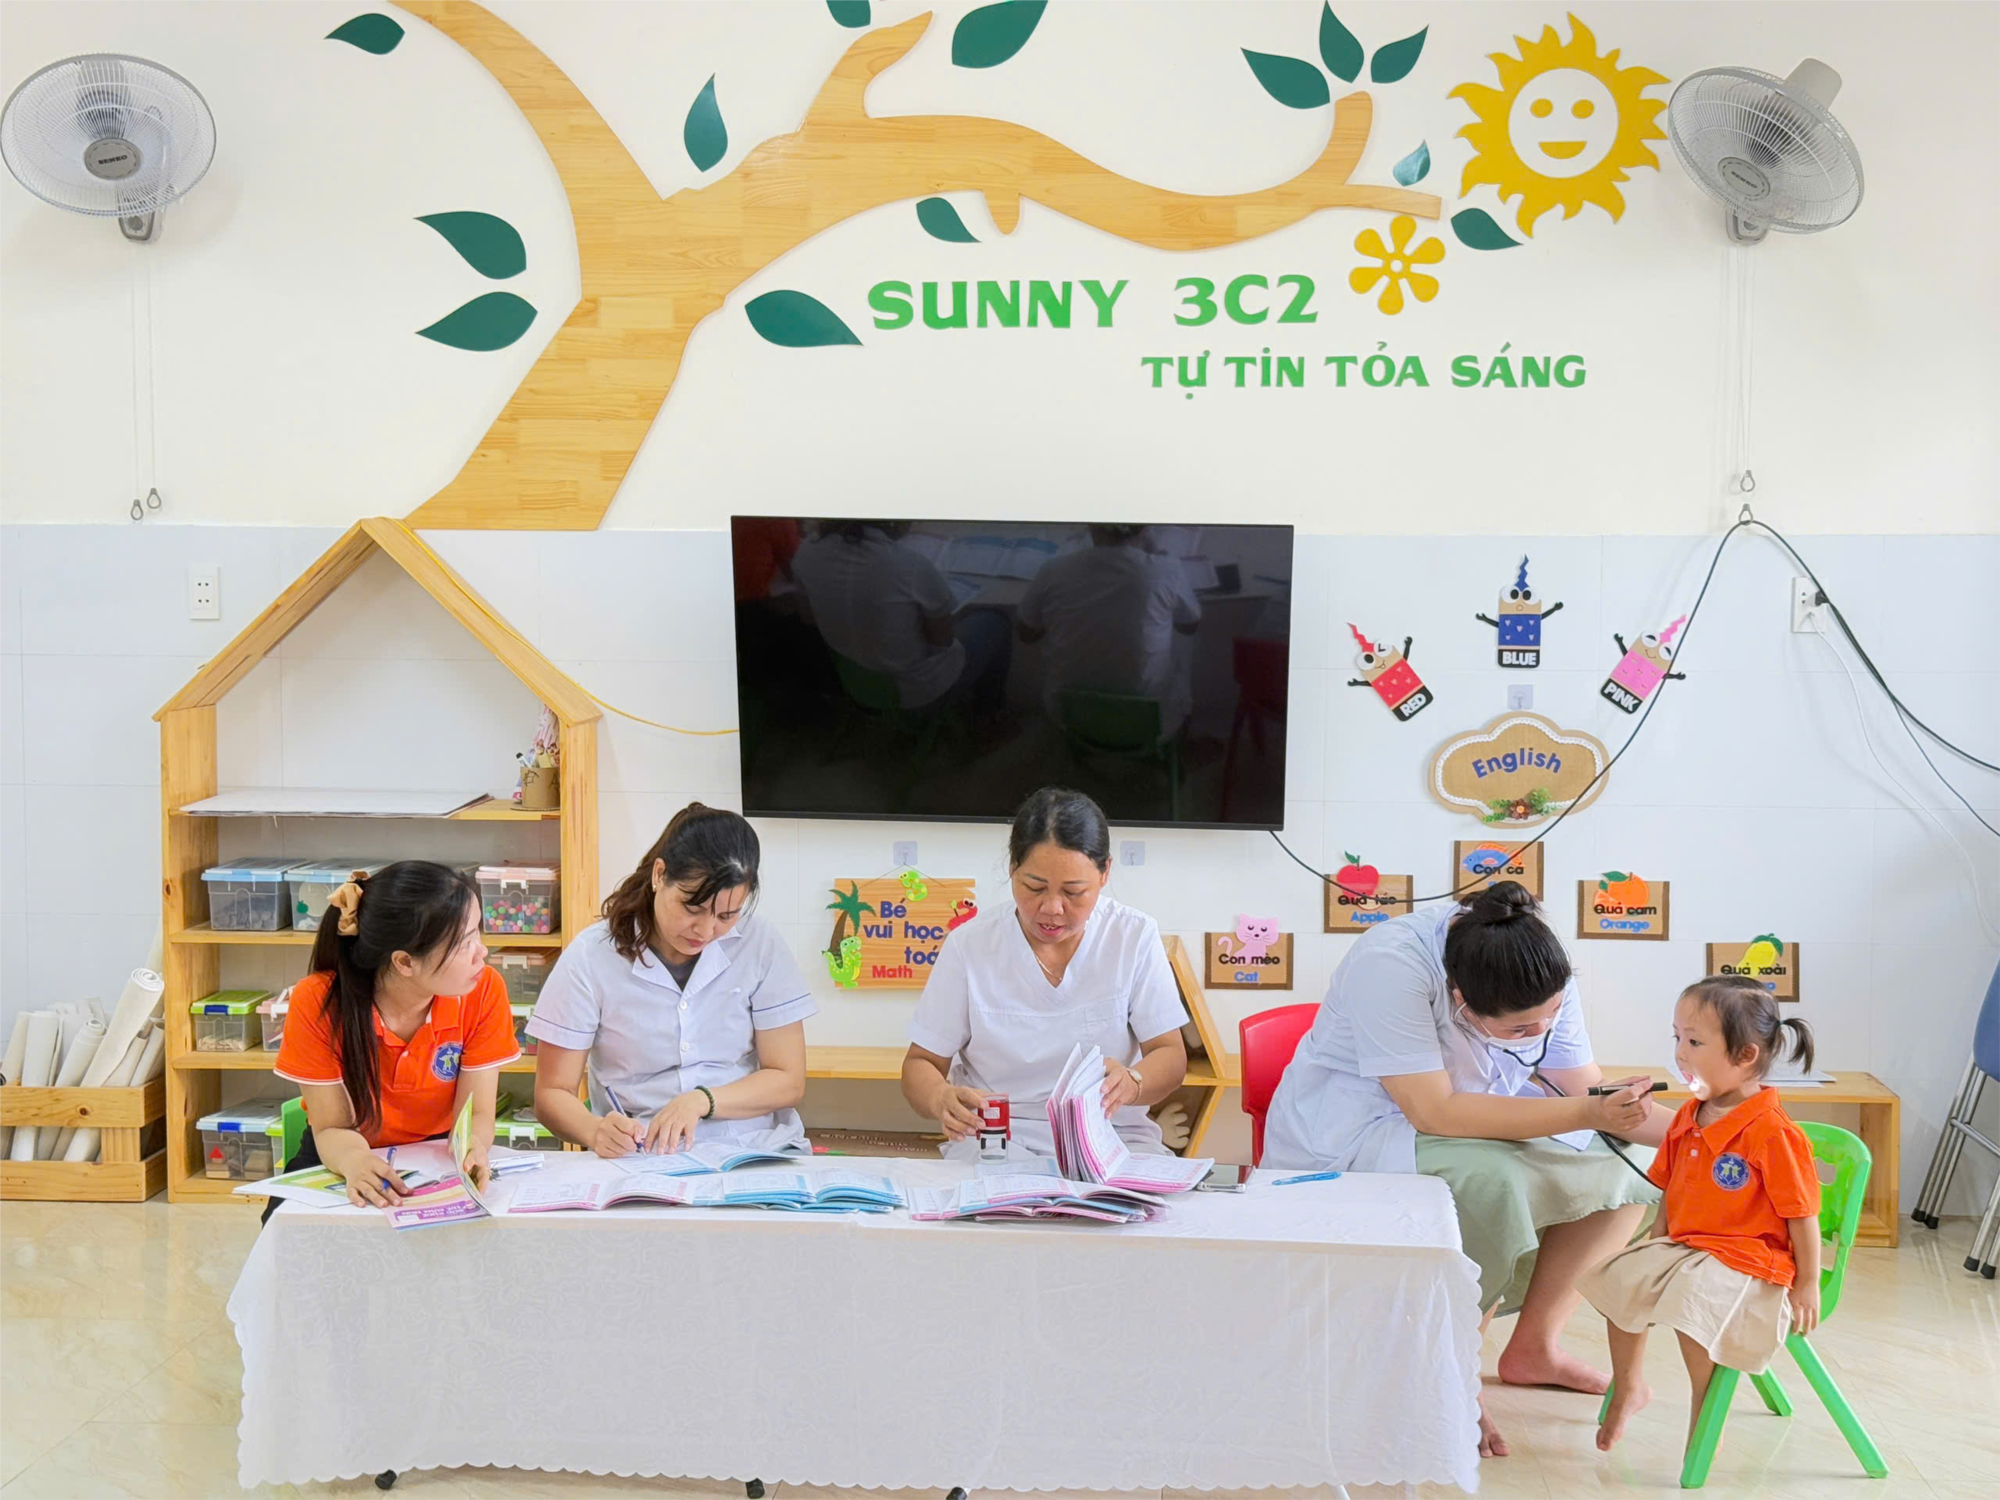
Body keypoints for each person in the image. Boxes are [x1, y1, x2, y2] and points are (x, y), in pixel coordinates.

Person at [1262, 881, 1665, 1458]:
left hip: (1467, 1114)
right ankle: (1449, 1370)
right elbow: (1434, 1111)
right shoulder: (1391, 963)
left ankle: (1535, 1347)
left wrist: (1720, 1137)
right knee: (1489, 1182)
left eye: (1550, 1018)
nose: (1540, 1034)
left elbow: (1584, 1087)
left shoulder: (1535, 966)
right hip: (1357, 1131)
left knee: (1639, 1164)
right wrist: (1585, 1112)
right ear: (1460, 1002)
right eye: (1520, 1030)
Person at [1585, 977, 1822, 1452]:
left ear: (1745, 1055)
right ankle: (1628, 1386)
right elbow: (1671, 1189)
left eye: (1694, 1042)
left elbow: (1802, 1214)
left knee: (1692, 1306)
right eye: (1677, 1037)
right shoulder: (1689, 1117)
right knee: (1620, 1278)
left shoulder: (1773, 1133)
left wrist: (1809, 1282)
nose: (1680, 1053)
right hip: (1691, 1247)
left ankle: (1705, 1410)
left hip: (1751, 1259)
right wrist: (1656, 1243)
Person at [900, 786, 1188, 1158]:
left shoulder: (1133, 935)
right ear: (1012, 869)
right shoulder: (969, 945)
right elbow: (921, 1063)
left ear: (1105, 873)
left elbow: (1170, 1055)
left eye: (1074, 892)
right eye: (1034, 887)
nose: (1052, 908)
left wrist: (1133, 1083)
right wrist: (939, 1097)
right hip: (999, 1137)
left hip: (1111, 1135)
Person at [529, 803, 815, 1156]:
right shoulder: (591, 956)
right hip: (641, 1152)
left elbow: (788, 1079)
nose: (706, 931)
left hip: (751, 1146)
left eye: (726, 915)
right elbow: (552, 1093)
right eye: (692, 909)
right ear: (659, 875)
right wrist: (594, 1131)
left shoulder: (760, 944)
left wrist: (702, 1100)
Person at [271, 861, 516, 1215]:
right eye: (464, 943)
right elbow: (331, 1128)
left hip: (438, 1154)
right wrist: (355, 1161)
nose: (482, 952)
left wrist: (472, 1146)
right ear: (404, 962)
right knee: (295, 1232)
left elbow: (477, 1114)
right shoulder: (318, 1001)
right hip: (342, 1151)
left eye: (477, 932)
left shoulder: (484, 989)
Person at [791, 520, 1010, 718]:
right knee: (995, 621)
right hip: (916, 696)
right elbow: (943, 641)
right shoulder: (910, 565)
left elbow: (808, 617)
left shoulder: (805, 552)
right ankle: (988, 716)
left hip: (855, 685)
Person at [1016, 523, 1202, 736]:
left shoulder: (1052, 570)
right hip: (1148, 725)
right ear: (1145, 528)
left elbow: (1026, 634)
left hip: (1069, 719)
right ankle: (1185, 724)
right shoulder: (1167, 569)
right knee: (1181, 632)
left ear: (1090, 524)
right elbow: (1190, 626)